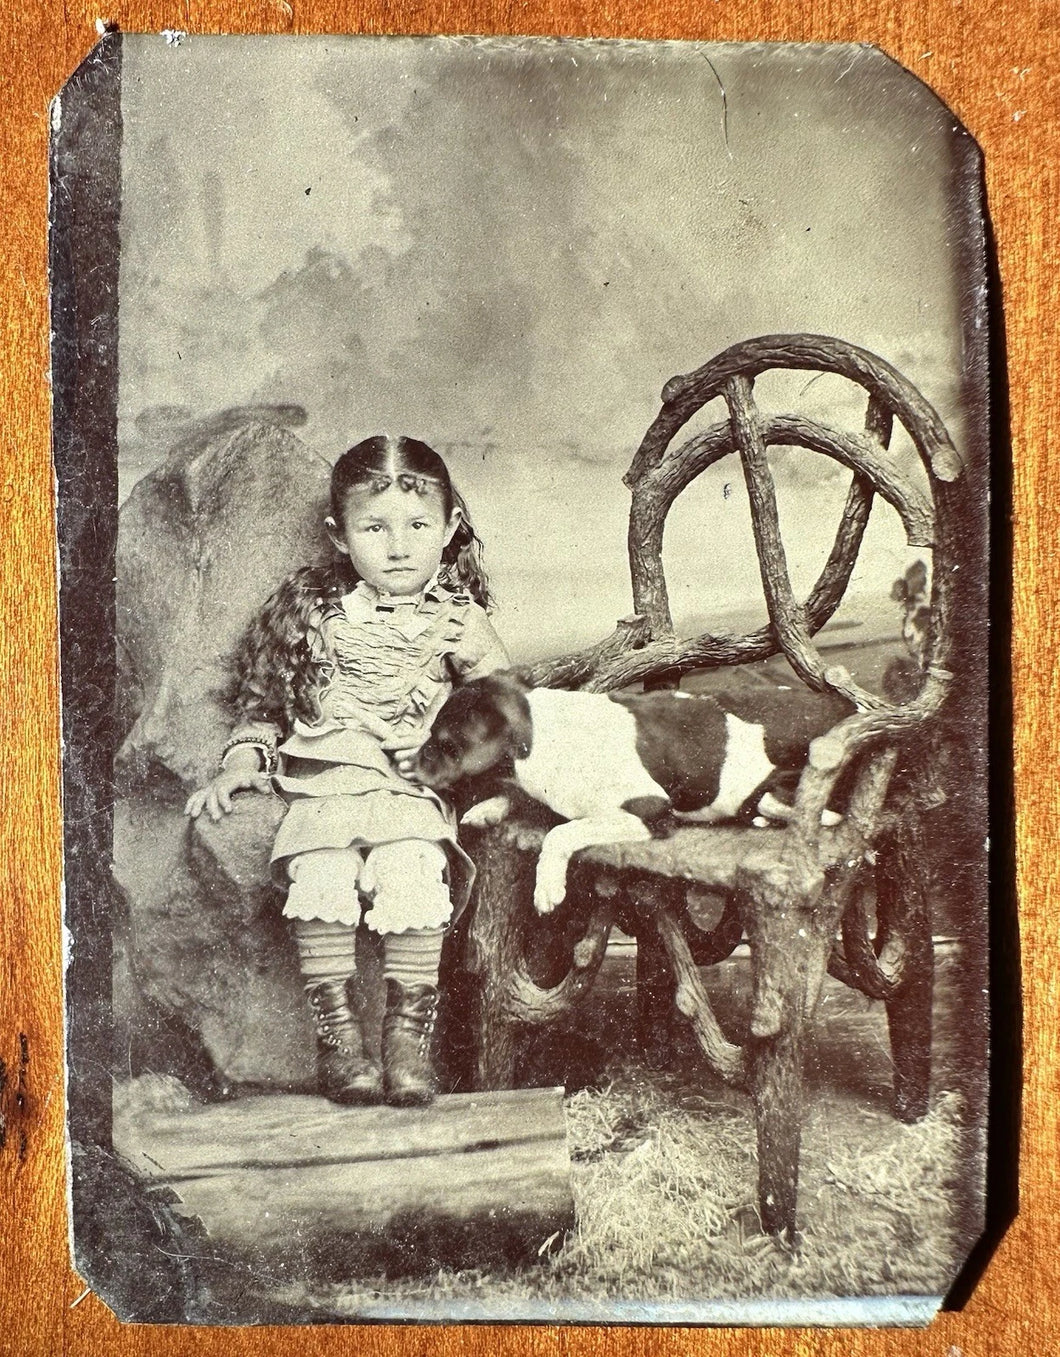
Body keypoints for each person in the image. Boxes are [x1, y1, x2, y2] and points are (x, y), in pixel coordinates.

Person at [184, 435, 509, 1107]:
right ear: (339, 535)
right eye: (374, 527)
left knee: (413, 868)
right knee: (322, 871)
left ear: (448, 528)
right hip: (324, 785)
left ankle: (406, 1039)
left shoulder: (458, 621)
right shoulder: (314, 616)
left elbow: (501, 711)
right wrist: (242, 762)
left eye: (419, 526)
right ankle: (340, 1039)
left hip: (410, 789)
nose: (398, 547)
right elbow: (264, 707)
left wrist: (447, 752)